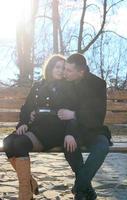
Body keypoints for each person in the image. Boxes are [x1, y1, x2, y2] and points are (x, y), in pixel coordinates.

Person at [3, 54, 79, 200]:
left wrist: (70, 132)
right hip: (37, 129)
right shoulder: (38, 86)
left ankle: (25, 193)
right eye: (57, 67)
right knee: (8, 142)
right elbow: (26, 108)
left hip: (56, 131)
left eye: (63, 68)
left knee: (19, 143)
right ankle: (30, 182)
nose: (61, 70)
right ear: (50, 68)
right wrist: (24, 123)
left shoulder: (69, 87)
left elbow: (72, 114)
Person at [57, 53, 112, 200]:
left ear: (81, 72)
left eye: (69, 70)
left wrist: (74, 114)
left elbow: (98, 115)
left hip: (94, 130)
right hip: (72, 130)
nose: (65, 73)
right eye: (65, 69)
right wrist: (69, 132)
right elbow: (63, 110)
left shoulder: (98, 84)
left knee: (102, 146)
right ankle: (84, 190)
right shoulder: (65, 83)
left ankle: (80, 187)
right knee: (69, 146)